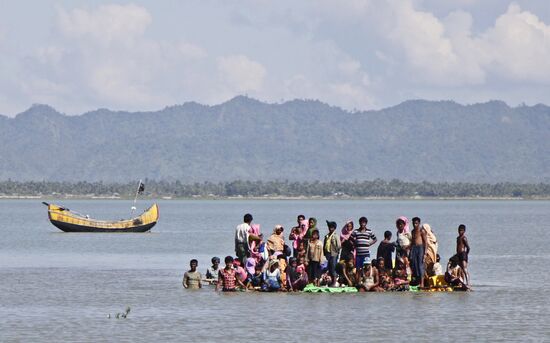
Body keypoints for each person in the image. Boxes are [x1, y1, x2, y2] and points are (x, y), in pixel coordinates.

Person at [350, 216, 377, 283]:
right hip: (358, 254)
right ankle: (357, 282)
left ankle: (367, 282)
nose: (362, 224)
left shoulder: (369, 231)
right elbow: (350, 239)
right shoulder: (356, 231)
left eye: (364, 223)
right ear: (359, 223)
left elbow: (375, 239)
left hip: (366, 254)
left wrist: (369, 244)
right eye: (361, 223)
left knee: (367, 268)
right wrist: (354, 244)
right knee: (358, 269)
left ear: (366, 223)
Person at [410, 217, 427, 287]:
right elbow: (412, 242)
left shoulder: (421, 231)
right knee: (414, 265)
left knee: (420, 265)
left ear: (419, 223)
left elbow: (426, 242)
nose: (415, 225)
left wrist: (425, 253)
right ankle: (417, 281)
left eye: (416, 223)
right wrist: (410, 250)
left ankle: (422, 283)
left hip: (420, 248)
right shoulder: (412, 231)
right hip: (414, 248)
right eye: (414, 223)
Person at [323, 220, 341, 287]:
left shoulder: (336, 236)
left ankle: (334, 282)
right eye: (329, 227)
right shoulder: (326, 236)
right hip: (327, 254)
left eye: (332, 227)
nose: (330, 228)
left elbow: (339, 245)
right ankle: (330, 283)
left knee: (333, 268)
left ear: (334, 228)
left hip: (333, 254)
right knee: (329, 268)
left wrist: (336, 252)